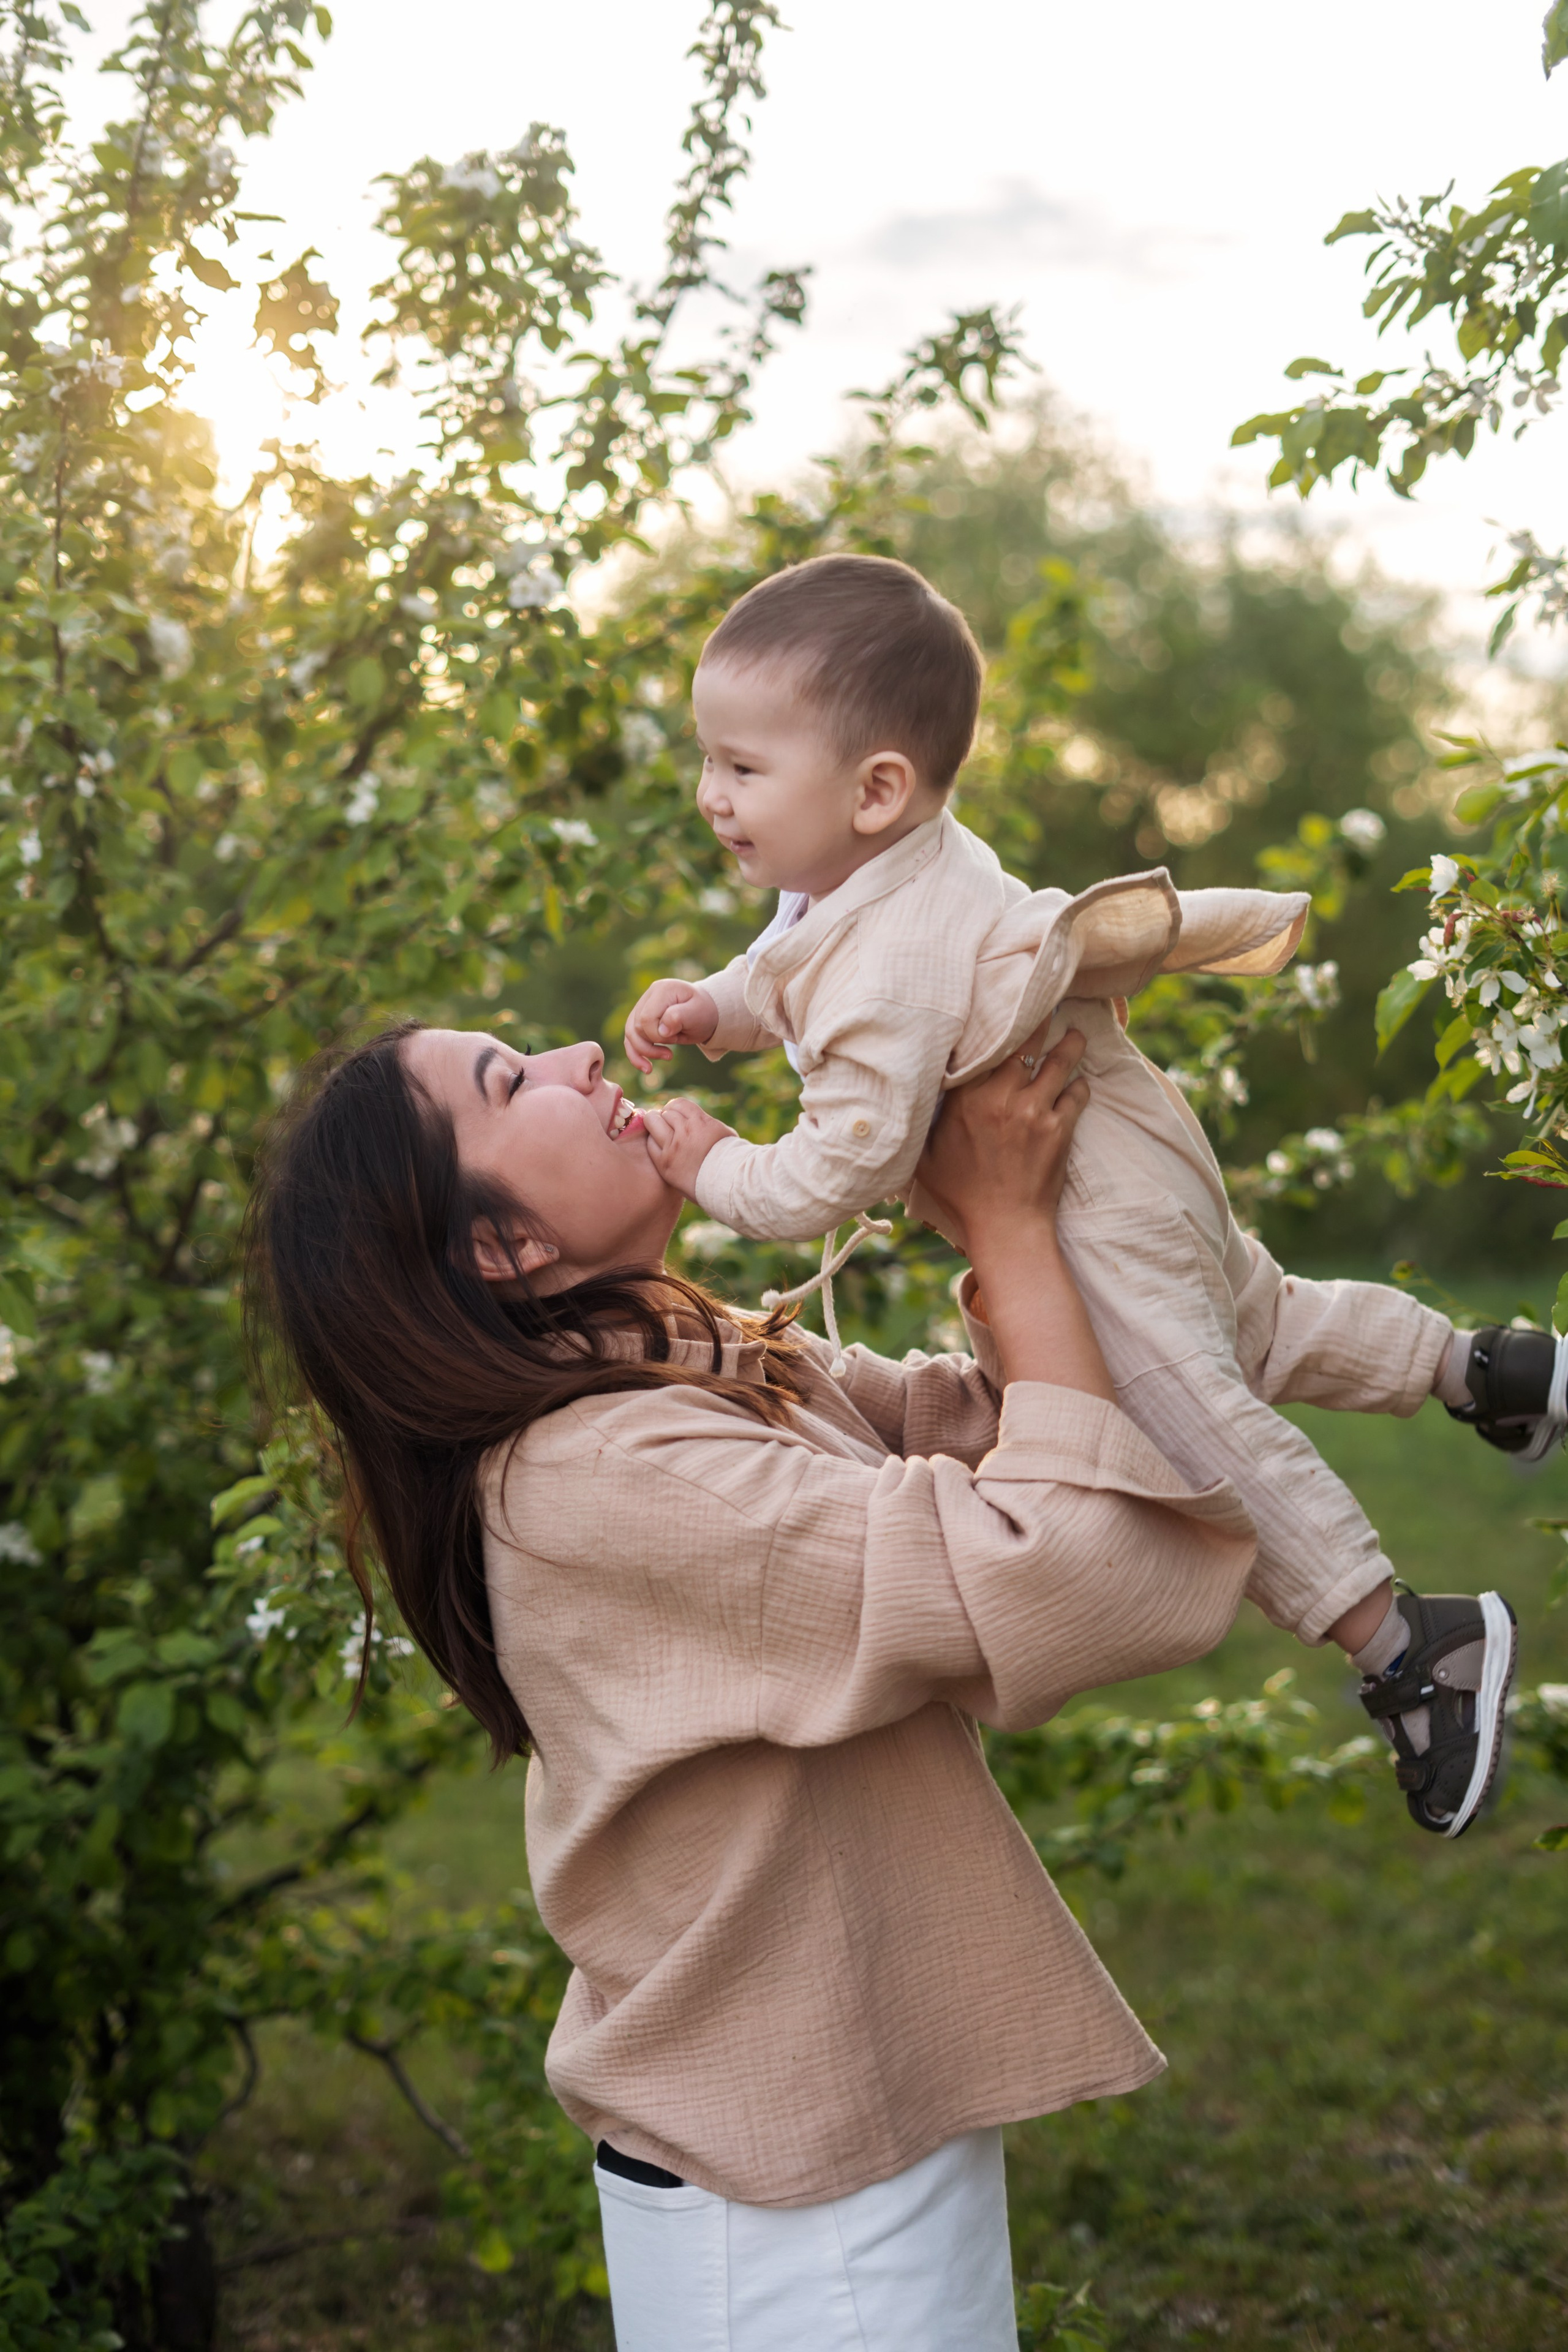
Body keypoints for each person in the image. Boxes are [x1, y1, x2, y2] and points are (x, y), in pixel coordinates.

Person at [251, 1012, 1264, 2350]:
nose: (579, 1060)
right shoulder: (608, 1472)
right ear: (501, 1247)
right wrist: (1007, 1227)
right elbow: (1061, 1566)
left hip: (839, 2118)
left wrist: (968, 1181)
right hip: (795, 2211)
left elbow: (1014, 1420)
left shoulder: (680, 1363)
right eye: (511, 1082)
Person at [622, 553, 1533, 1839]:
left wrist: (710, 1161)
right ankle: (1489, 1369)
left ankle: (1407, 1645)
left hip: (1081, 1198)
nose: (710, 794)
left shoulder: (881, 963)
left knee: (1186, 1419)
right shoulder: (898, 870)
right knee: (1258, 1319)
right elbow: (789, 964)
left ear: (875, 789)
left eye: (740, 766)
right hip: (1128, 1137)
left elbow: (840, 1168)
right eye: (707, 758)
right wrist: (715, 1007)